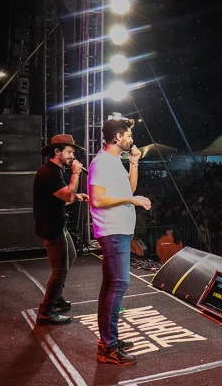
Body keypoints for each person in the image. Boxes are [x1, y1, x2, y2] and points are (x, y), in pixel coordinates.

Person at [88, 117, 152, 365]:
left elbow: (129, 189)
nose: (131, 140)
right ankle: (109, 347)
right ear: (117, 137)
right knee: (119, 284)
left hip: (119, 230)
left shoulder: (114, 161)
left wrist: (134, 163)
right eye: (128, 136)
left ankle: (108, 340)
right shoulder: (102, 162)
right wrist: (132, 201)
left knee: (111, 285)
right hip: (112, 231)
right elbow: (97, 199)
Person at [33, 134, 89, 325]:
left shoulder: (54, 171)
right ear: (57, 151)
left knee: (70, 255)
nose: (73, 156)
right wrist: (75, 174)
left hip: (57, 224)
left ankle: (56, 298)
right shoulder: (49, 173)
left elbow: (55, 199)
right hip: (52, 228)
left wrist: (76, 195)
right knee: (60, 271)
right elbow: (67, 197)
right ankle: (46, 311)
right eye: (70, 152)